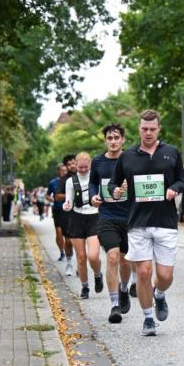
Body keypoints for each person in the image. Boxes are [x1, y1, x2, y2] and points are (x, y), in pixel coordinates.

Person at [109, 109, 184, 336]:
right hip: (138, 223)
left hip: (165, 222)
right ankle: (148, 318)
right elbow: (114, 182)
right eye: (144, 129)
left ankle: (159, 294)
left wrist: (174, 188)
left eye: (152, 129)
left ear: (159, 129)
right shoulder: (128, 156)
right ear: (139, 129)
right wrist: (115, 190)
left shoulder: (171, 153)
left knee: (164, 276)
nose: (148, 133)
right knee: (143, 272)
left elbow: (182, 180)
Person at [90, 123, 133, 323]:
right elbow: (92, 183)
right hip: (107, 216)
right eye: (109, 138)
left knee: (125, 260)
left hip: (130, 217)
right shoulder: (98, 161)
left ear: (123, 140)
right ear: (105, 141)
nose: (113, 141)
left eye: (117, 138)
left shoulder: (132, 158)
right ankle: (114, 305)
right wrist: (93, 197)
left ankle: (124, 289)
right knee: (113, 257)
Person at [63, 153, 104, 299]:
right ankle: (85, 287)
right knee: (81, 257)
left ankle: (98, 275)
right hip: (77, 218)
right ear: (75, 166)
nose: (83, 170)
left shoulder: (96, 177)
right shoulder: (70, 181)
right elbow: (68, 201)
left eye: (86, 167)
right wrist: (66, 206)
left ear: (90, 164)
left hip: (94, 217)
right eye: (80, 167)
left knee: (93, 256)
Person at [54, 155, 78, 274]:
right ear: (66, 166)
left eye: (74, 163)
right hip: (68, 214)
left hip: (84, 214)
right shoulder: (63, 180)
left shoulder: (85, 176)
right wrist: (72, 195)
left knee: (80, 242)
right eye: (69, 164)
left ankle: (80, 264)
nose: (72, 166)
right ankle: (69, 263)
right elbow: (57, 196)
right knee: (68, 241)